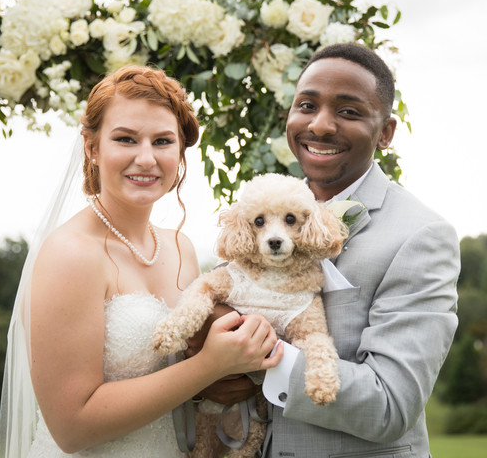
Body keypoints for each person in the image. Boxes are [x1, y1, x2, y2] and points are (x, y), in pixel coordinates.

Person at [190, 43, 460, 457]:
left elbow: (390, 406)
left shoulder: (421, 235)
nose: (320, 125)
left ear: (385, 132)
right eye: (306, 105)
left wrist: (255, 357)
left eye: (349, 111)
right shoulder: (262, 211)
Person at [0, 65, 283, 458]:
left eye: (163, 141)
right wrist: (208, 368)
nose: (146, 158)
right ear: (92, 147)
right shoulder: (71, 253)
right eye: (126, 139)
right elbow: (71, 427)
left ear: (179, 152)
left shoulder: (179, 246)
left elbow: (179, 381)